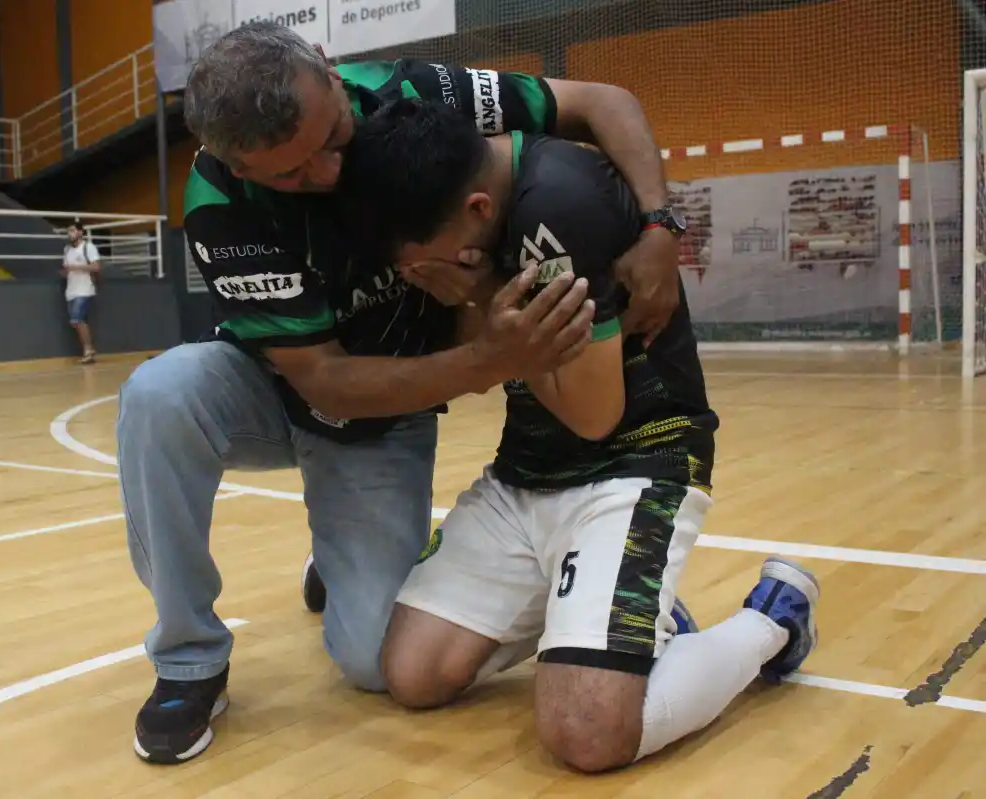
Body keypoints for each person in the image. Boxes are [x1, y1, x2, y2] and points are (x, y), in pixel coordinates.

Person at [118, 20, 683, 765]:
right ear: (233, 163)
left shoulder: (414, 92)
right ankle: (189, 659)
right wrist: (490, 355)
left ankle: (346, 559)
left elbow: (603, 101)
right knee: (159, 392)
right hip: (284, 385)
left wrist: (660, 223)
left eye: (332, 138)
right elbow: (326, 381)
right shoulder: (218, 202)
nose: (322, 172)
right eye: (287, 174)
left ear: (329, 68)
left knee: (371, 663)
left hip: (384, 420)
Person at [336, 99, 820, 774]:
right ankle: (619, 611)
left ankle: (775, 620)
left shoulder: (559, 208)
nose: (423, 278)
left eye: (425, 264)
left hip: (636, 461)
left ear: (478, 208)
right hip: (527, 470)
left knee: (587, 732)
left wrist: (481, 297)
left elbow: (594, 413)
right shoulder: (474, 211)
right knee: (414, 674)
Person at [61, 220, 100, 364]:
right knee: (77, 322)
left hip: (85, 289)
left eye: (72, 230)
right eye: (68, 231)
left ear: (80, 232)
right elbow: (67, 268)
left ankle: (88, 350)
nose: (70, 234)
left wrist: (76, 267)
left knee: (76, 319)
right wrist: (65, 271)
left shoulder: (88, 247)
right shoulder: (67, 250)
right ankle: (89, 350)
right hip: (71, 290)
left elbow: (96, 267)